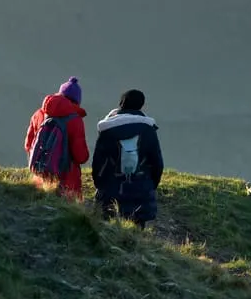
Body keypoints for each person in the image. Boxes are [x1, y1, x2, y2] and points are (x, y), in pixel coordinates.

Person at [91, 88, 164, 228]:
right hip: (140, 188)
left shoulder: (107, 129)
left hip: (111, 188)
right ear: (141, 105)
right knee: (136, 233)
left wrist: (100, 184)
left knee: (107, 231)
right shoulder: (148, 129)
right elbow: (157, 163)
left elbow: (98, 162)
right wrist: (150, 186)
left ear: (121, 104)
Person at [24, 76, 91, 201]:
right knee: (66, 216)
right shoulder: (75, 120)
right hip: (66, 180)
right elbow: (80, 156)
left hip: (40, 175)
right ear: (77, 100)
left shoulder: (39, 114)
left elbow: (28, 145)